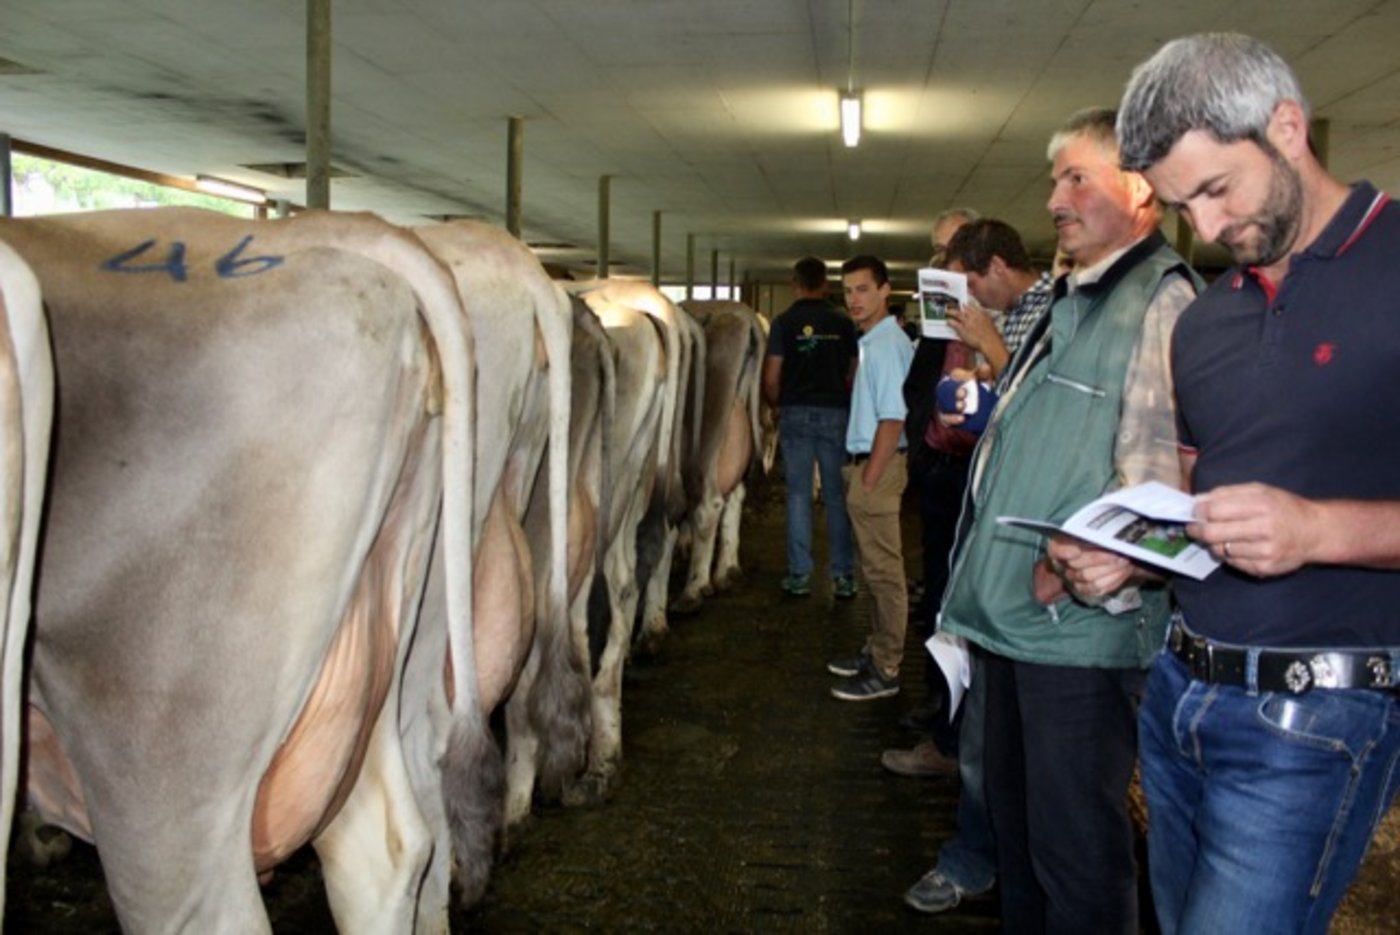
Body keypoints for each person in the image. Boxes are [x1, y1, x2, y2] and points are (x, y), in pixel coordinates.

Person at [1110, 33, 1400, 934]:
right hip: (1178, 697)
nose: (1202, 228)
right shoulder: (1206, 323)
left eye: (1214, 189)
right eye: (1176, 204)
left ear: (1286, 127)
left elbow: (1296, 524)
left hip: (1316, 716)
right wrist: (1129, 553)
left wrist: (1319, 531)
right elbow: (1204, 511)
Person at [938, 107, 1200, 932]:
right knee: (1021, 843)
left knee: (1076, 856)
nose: (1055, 198)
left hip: (1080, 633)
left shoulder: (1160, 302)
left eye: (1076, 177)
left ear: (1141, 190)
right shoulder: (1067, 300)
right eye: (1056, 178)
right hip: (1017, 623)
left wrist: (1099, 554)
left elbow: (1166, 483)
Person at [899, 217, 1056, 915]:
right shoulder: (1014, 317)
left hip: (1040, 557)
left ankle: (1004, 865)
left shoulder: (1059, 313)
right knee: (989, 721)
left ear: (992, 268)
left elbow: (1043, 418)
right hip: (992, 538)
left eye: (964, 285)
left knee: (1033, 746)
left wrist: (990, 353)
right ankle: (979, 855)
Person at [827, 254, 914, 701]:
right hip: (866, 464)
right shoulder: (873, 342)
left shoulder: (885, 346)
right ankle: (877, 649)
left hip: (875, 467)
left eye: (863, 289)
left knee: (884, 574)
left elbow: (893, 419)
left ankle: (886, 669)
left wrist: (869, 479)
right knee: (875, 570)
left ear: (885, 290)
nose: (854, 299)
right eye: (847, 291)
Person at [762, 256, 859, 599]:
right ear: (826, 285)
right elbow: (854, 371)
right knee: (836, 497)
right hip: (835, 413)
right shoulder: (844, 323)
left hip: (796, 413)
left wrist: (778, 407)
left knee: (799, 496)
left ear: (794, 283)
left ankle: (800, 574)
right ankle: (844, 576)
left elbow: (772, 377)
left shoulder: (783, 323)